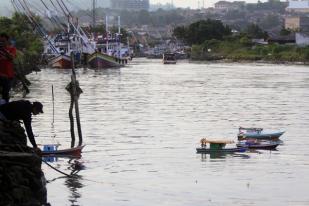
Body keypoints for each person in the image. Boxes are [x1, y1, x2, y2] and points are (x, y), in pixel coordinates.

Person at [0, 33, 17, 103]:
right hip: (0, 75)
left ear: (7, 41)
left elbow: (11, 57)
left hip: (8, 76)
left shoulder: (12, 49)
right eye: (0, 41)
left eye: (3, 41)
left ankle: (5, 108)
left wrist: (4, 50)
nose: (1, 43)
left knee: (5, 94)